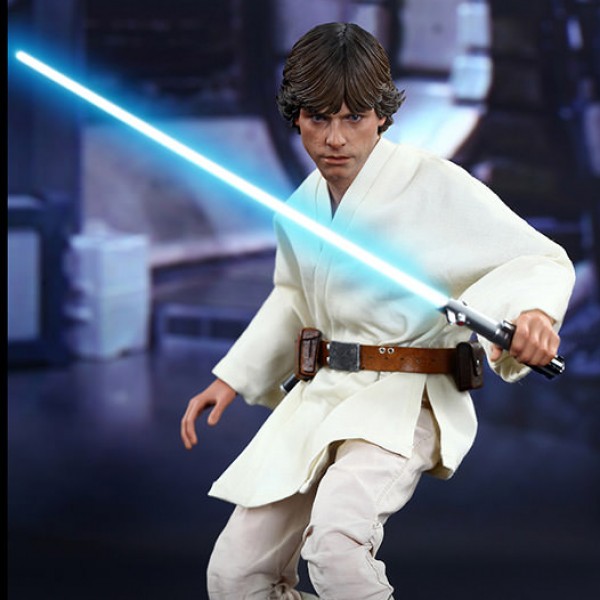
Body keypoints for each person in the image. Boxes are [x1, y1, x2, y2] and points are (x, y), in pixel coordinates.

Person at [180, 22, 575, 599]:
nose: (335, 139)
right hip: (325, 395)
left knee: (336, 548)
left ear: (381, 116)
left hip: (404, 396)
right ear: (296, 117)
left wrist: (534, 314)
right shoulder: (302, 209)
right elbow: (292, 298)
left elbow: (535, 257)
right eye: (319, 118)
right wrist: (232, 377)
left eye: (353, 118)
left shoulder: (432, 184)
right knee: (236, 577)